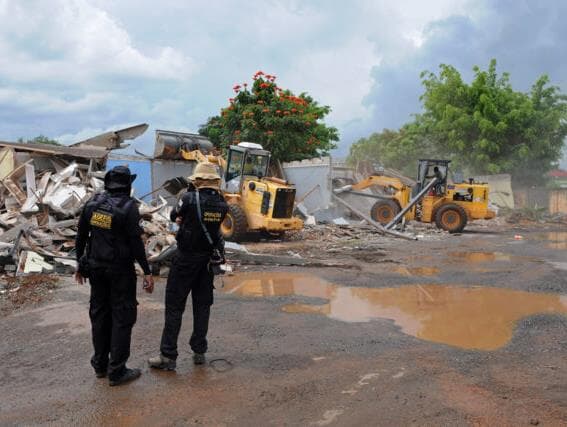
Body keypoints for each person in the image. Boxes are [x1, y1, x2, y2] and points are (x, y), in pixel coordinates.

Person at [75, 165, 154, 386]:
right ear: (128, 185)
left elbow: (81, 236)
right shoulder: (129, 208)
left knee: (99, 315)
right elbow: (136, 244)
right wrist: (147, 272)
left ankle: (100, 365)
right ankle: (117, 371)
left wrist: (79, 265)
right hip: (120, 272)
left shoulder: (92, 204)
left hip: (96, 270)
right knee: (122, 317)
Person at [149, 162, 228, 371]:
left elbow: (175, 216)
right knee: (202, 308)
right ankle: (199, 351)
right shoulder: (222, 203)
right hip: (207, 263)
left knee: (175, 307)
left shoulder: (188, 198)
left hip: (185, 261)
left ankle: (168, 356)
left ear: (197, 180)